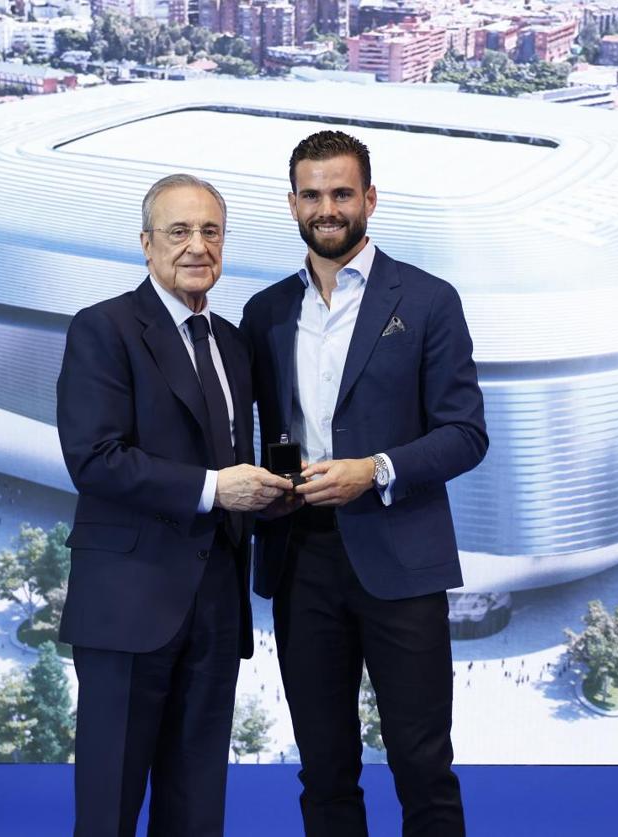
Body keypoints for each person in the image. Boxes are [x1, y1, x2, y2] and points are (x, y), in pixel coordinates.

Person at [240, 131, 488, 836]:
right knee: (323, 768)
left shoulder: (431, 300)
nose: (328, 208)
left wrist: (374, 470)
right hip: (300, 561)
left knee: (421, 762)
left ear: (369, 199)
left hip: (400, 559)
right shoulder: (263, 313)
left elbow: (466, 432)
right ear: (292, 204)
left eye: (342, 193)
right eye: (312, 194)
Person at [56, 173, 292, 837]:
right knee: (109, 814)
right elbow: (95, 459)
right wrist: (218, 489)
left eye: (210, 231)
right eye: (179, 231)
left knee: (197, 813)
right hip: (128, 609)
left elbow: (235, 455)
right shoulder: (103, 329)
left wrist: (277, 495)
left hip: (216, 606)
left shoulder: (234, 343)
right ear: (146, 243)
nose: (197, 246)